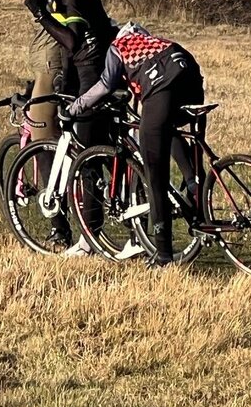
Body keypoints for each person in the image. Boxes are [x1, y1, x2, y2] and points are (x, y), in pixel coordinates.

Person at [4, 0, 118, 253]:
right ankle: (87, 229)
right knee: (91, 147)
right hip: (78, 71)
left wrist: (40, 13)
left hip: (85, 72)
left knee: (73, 148)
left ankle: (72, 232)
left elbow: (72, 41)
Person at [68, 22, 205, 267]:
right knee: (165, 127)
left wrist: (75, 108)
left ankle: (163, 255)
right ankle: (195, 185)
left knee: (155, 173)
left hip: (163, 83)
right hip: (189, 75)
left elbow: (104, 86)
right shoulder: (154, 42)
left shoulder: (118, 47)